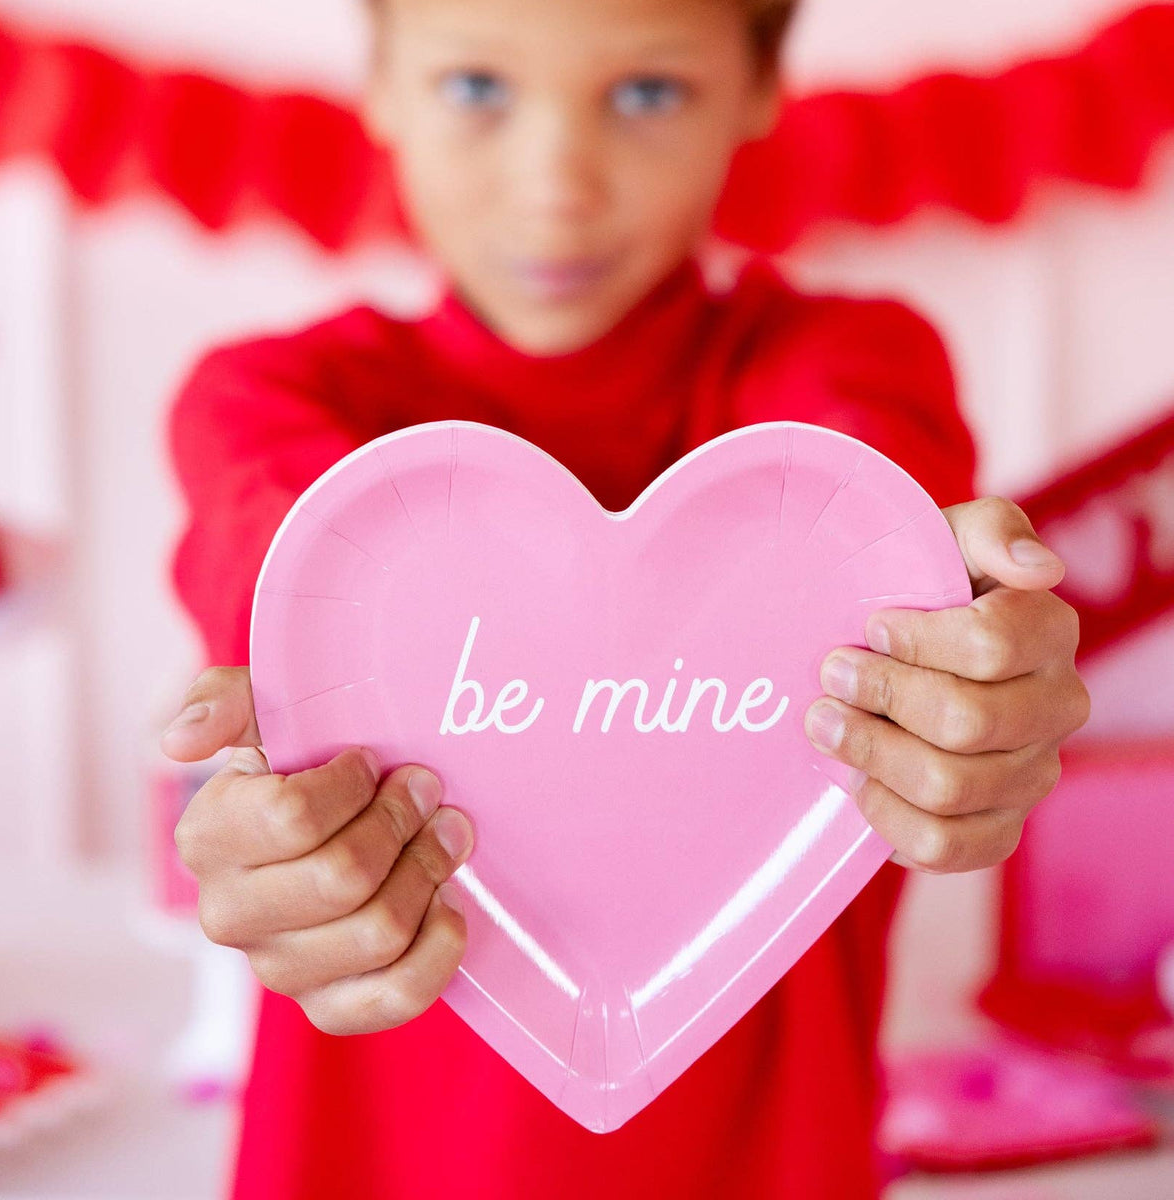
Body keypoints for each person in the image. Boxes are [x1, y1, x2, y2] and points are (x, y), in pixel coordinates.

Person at [159, 0, 1091, 1196]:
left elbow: (874, 497)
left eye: (648, 93)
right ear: (379, 83)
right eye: (477, 88)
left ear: (759, 90)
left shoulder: (854, 368)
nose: (559, 185)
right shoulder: (266, 404)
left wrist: (957, 649)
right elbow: (280, 564)